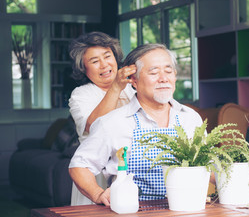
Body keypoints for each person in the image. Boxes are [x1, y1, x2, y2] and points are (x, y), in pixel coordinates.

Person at [69, 43, 203, 206]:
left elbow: (206, 166)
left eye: (168, 71)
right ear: (134, 80)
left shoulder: (190, 118)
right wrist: (98, 194)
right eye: (153, 72)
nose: (163, 78)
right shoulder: (112, 122)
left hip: (186, 209)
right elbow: (79, 165)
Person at [68, 31, 136, 205]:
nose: (104, 65)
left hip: (131, 171)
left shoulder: (132, 88)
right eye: (95, 61)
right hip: (94, 176)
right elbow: (93, 126)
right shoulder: (81, 94)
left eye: (107, 56)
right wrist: (115, 88)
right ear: (84, 68)